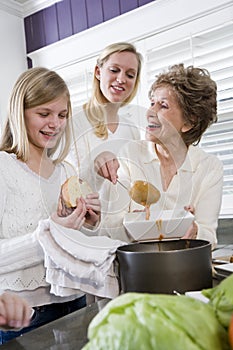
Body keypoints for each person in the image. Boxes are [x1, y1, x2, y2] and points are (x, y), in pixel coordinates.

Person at [0, 67, 101, 344]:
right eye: (44, 114)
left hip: (75, 302)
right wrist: (51, 231)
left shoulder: (66, 172)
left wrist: (89, 224)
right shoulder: (3, 168)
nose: (55, 123)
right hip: (23, 315)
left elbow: (72, 246)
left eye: (62, 115)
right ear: (20, 113)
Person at [97, 64, 223, 246]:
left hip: (183, 269)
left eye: (162, 106)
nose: (149, 112)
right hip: (137, 267)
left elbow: (209, 238)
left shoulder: (209, 167)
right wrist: (134, 225)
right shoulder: (130, 155)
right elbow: (110, 229)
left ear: (189, 122)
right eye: (152, 103)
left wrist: (195, 231)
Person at [68, 42, 144, 187]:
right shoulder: (73, 119)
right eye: (114, 70)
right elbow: (65, 178)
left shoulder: (132, 130)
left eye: (130, 75)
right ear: (98, 72)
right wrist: (95, 166)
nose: (121, 79)